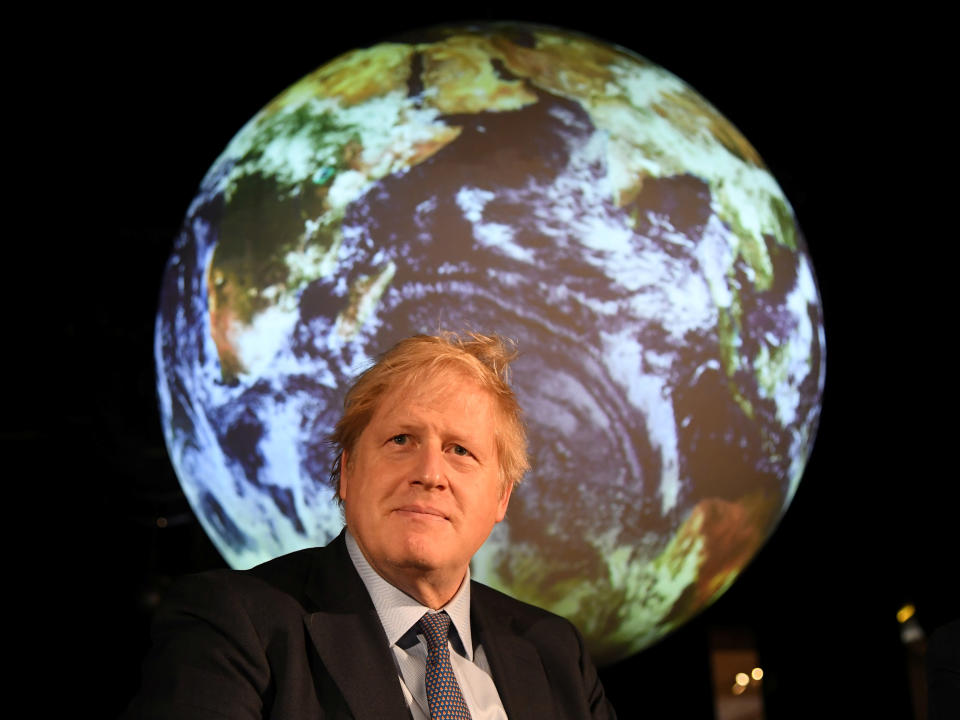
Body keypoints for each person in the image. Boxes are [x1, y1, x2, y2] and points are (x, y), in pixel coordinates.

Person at [124, 332, 616, 719]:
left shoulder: (556, 653)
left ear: (501, 497)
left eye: (460, 450)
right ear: (347, 472)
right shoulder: (235, 626)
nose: (429, 473)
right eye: (401, 439)